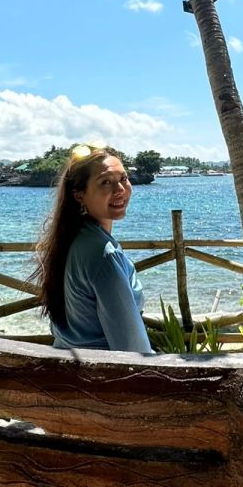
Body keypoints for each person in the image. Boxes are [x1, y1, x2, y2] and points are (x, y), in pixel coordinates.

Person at [36, 146, 154, 354]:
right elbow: (132, 350)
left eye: (124, 178)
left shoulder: (72, 239)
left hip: (72, 367)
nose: (120, 189)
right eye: (106, 182)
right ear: (80, 195)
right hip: (104, 376)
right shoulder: (104, 254)